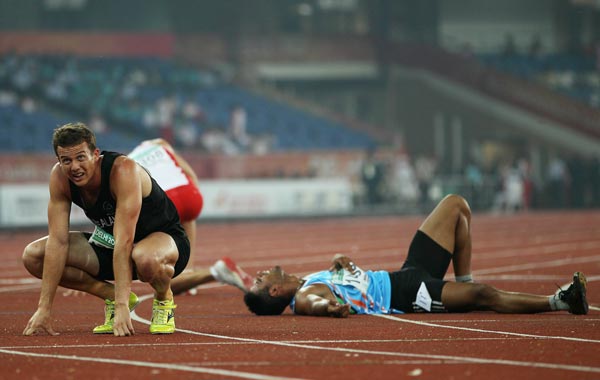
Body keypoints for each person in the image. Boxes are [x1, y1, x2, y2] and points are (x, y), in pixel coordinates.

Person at [244, 194, 588, 317]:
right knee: (485, 296)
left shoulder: (309, 279)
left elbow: (340, 283)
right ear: (274, 292)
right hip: (410, 295)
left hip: (406, 272)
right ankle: (560, 301)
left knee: (456, 206)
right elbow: (315, 305)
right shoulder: (304, 296)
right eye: (260, 280)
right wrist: (331, 308)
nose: (260, 272)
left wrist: (340, 260)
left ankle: (461, 284)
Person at [22, 122, 188, 337]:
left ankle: (164, 298)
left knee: (144, 257)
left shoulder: (123, 170)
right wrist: (44, 309)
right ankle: (110, 294)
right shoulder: (60, 178)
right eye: (66, 160)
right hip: (112, 246)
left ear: (95, 154)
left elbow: (124, 241)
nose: (74, 167)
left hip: (164, 245)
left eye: (81, 157)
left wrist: (121, 309)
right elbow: (58, 241)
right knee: (34, 256)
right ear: (59, 161)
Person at [128, 138, 253, 295]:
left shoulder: (129, 161)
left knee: (160, 277)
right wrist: (195, 196)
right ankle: (189, 270)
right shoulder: (161, 147)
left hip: (166, 200)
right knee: (188, 218)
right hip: (190, 195)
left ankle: (214, 272)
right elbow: (190, 173)